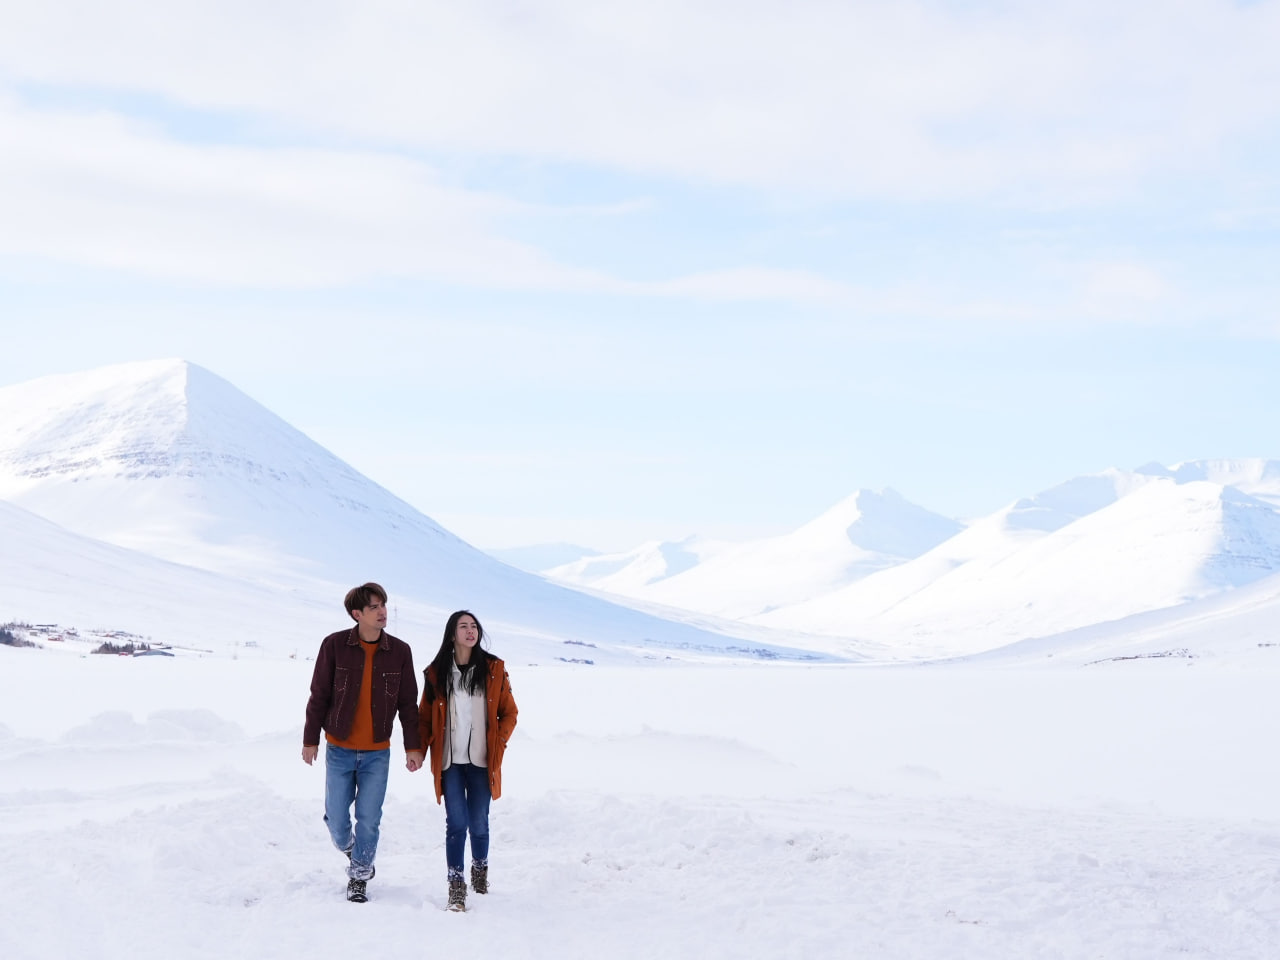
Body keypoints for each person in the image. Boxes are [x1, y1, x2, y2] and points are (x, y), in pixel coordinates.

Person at [302, 582, 425, 903]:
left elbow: (408, 704)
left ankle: (359, 875)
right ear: (357, 614)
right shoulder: (334, 645)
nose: (382, 611)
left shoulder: (400, 651)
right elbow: (319, 695)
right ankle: (352, 849)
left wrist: (413, 747)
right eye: (374, 607)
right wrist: (310, 739)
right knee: (336, 819)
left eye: (383, 605)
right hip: (339, 748)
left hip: (377, 753)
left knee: (369, 819)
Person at [418, 610, 518, 912]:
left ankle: (480, 868)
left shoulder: (494, 669)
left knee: (479, 823)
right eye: (463, 626)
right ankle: (456, 886)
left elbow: (509, 713)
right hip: (450, 761)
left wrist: (499, 742)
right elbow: (424, 719)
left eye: (474, 626)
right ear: (452, 634)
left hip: (482, 761)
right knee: (456, 823)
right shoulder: (436, 673)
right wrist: (417, 750)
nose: (470, 631)